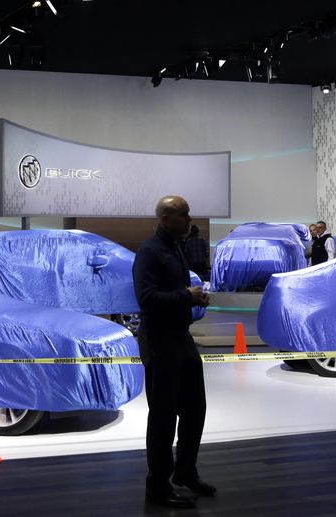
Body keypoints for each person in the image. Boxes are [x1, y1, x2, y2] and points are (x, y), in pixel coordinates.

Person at [133, 195, 214, 508]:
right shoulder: (149, 253)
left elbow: (173, 295)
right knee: (164, 418)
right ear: (166, 218)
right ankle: (157, 489)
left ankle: (184, 473)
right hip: (159, 341)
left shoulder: (175, 247)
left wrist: (192, 299)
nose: (189, 219)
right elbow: (147, 299)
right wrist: (185, 295)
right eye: (184, 214)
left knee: (195, 410)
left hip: (181, 338)